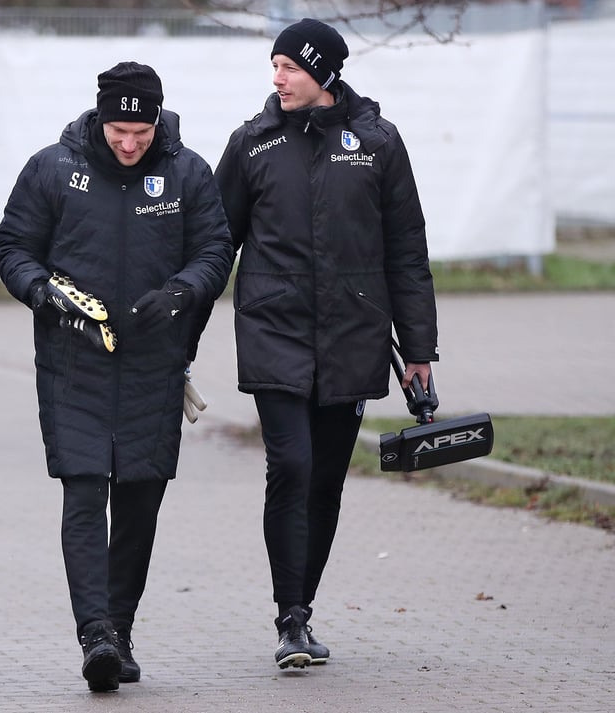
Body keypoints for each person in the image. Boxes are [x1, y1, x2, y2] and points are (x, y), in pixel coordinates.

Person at [0, 61, 234, 692]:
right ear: (99, 118)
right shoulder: (52, 168)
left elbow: (215, 249)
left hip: (154, 362)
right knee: (83, 489)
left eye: (141, 131)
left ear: (158, 120)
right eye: (118, 130)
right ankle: (95, 632)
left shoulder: (188, 172)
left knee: (139, 498)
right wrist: (43, 293)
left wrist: (180, 295)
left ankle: (121, 629)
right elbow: (13, 246)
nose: (129, 144)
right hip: (74, 360)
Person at [214, 19, 439, 670]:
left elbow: (407, 252)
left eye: (290, 66)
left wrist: (418, 349)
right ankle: (289, 618)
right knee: (290, 464)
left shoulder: (376, 143)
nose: (277, 77)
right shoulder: (252, 145)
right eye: (274, 65)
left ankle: (303, 609)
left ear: (325, 74)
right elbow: (213, 247)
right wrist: (177, 334)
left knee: (326, 481)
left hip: (353, 336)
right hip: (273, 330)